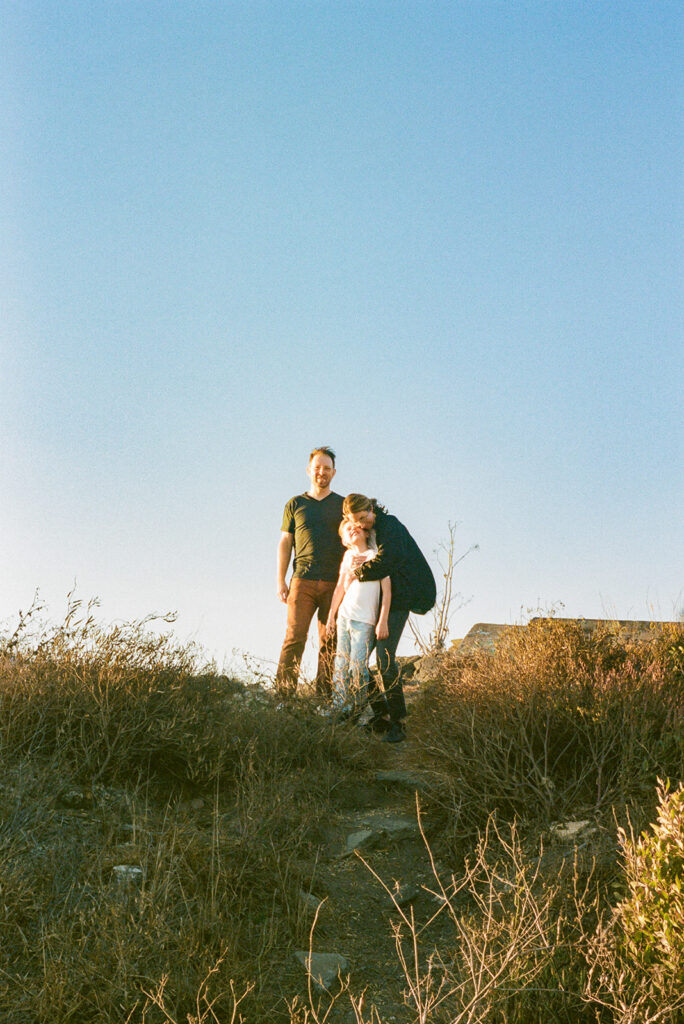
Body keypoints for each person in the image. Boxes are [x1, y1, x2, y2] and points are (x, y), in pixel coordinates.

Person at [341, 494, 436, 742]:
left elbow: (388, 561)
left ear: (372, 509)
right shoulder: (371, 532)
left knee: (384, 658)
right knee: (358, 662)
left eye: (364, 517)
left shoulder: (390, 525)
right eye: (356, 521)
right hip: (376, 604)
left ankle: (399, 721)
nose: (361, 524)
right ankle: (381, 715)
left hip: (400, 599)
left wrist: (359, 571)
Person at [275, 447, 345, 695]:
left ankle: (324, 699)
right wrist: (281, 580)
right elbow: (285, 543)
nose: (321, 472)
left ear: (334, 472)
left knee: (330, 642)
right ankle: (284, 698)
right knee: (294, 638)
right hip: (301, 580)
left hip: (334, 584)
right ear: (309, 470)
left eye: (327, 468)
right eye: (317, 467)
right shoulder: (295, 504)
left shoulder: (342, 504)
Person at [325, 519, 391, 719]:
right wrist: (331, 616)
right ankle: (339, 707)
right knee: (340, 665)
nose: (352, 529)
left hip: (365, 620)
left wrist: (383, 620)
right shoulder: (348, 556)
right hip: (344, 616)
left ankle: (357, 709)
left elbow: (387, 592)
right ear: (344, 540)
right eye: (347, 528)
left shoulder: (376, 555)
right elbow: (340, 588)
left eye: (356, 526)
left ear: (365, 532)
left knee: (358, 666)